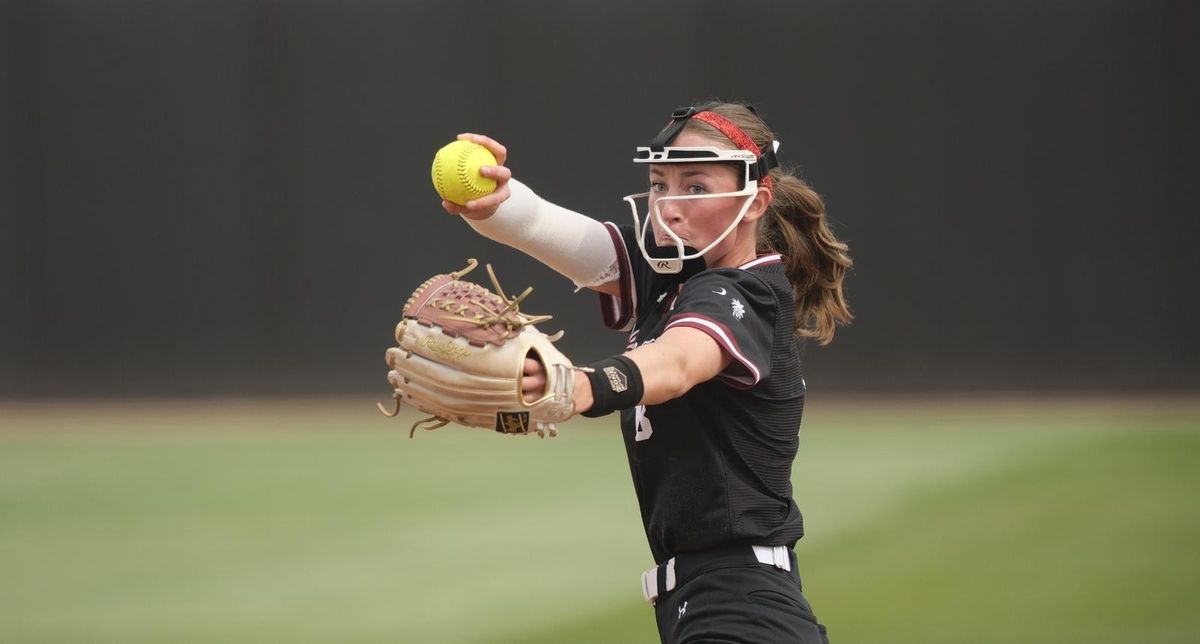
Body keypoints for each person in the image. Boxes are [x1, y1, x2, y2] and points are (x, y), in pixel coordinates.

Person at [442, 101, 851, 643]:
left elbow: (679, 360)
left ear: (755, 201)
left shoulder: (747, 291)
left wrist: (582, 384)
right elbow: (544, 226)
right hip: (716, 601)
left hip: (740, 605)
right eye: (660, 184)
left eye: (696, 186)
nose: (669, 206)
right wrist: (496, 197)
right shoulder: (671, 278)